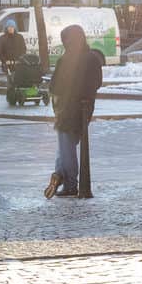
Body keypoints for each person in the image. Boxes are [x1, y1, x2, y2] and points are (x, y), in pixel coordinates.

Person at [47, 23, 104, 198]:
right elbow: (97, 83)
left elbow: (55, 85)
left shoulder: (66, 60)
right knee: (68, 145)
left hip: (66, 109)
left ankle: (69, 182)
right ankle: (60, 174)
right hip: (85, 109)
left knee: (66, 147)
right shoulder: (93, 58)